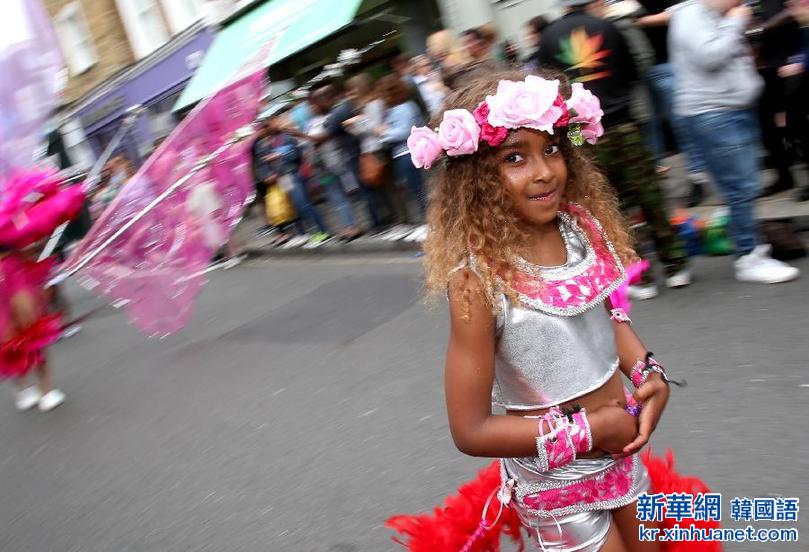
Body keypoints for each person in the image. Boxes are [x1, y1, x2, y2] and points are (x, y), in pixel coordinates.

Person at [390, 70, 715, 551]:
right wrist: (588, 429)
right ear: (476, 175)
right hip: (558, 487)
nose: (544, 171)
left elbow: (610, 316)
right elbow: (471, 428)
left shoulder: (581, 228)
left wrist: (648, 372)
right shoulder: (476, 281)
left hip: (623, 453)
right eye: (514, 158)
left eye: (552, 149)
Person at [540, 0, 691, 300]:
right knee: (649, 193)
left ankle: (637, 275)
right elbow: (634, 71)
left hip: (578, 131)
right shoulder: (607, 26)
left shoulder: (548, 37)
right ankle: (675, 265)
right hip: (623, 122)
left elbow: (548, 88)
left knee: (607, 205)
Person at [669, 0, 801, 283]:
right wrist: (735, 22)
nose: (741, 2)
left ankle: (752, 250)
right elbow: (710, 56)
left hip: (727, 110)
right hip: (716, 113)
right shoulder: (691, 14)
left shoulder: (705, 15)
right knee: (741, 187)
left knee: (742, 186)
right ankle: (750, 256)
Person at [1, 170, 85, 411]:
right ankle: (22, 387)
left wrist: (33, 245)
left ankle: (46, 389)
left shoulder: (12, 198)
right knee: (5, 339)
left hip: (18, 276)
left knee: (32, 332)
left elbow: (30, 234)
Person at [635, 0, 713, 205]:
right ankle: (654, 187)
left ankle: (698, 178)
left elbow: (679, 12)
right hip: (639, 72)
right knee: (649, 129)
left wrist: (636, 20)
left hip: (665, 65)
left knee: (682, 126)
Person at [263, 115, 330, 245]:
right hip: (283, 177)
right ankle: (309, 234)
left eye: (269, 124)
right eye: (266, 126)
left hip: (294, 174)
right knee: (297, 207)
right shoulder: (271, 142)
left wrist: (278, 155)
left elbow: (296, 155)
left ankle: (322, 232)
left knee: (304, 204)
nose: (268, 127)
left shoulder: (287, 137)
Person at [375, 75, 427, 220]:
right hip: (409, 153)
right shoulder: (407, 106)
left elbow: (405, 130)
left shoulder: (401, 109)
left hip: (406, 153)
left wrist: (383, 132)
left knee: (418, 190)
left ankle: (430, 221)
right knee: (418, 189)